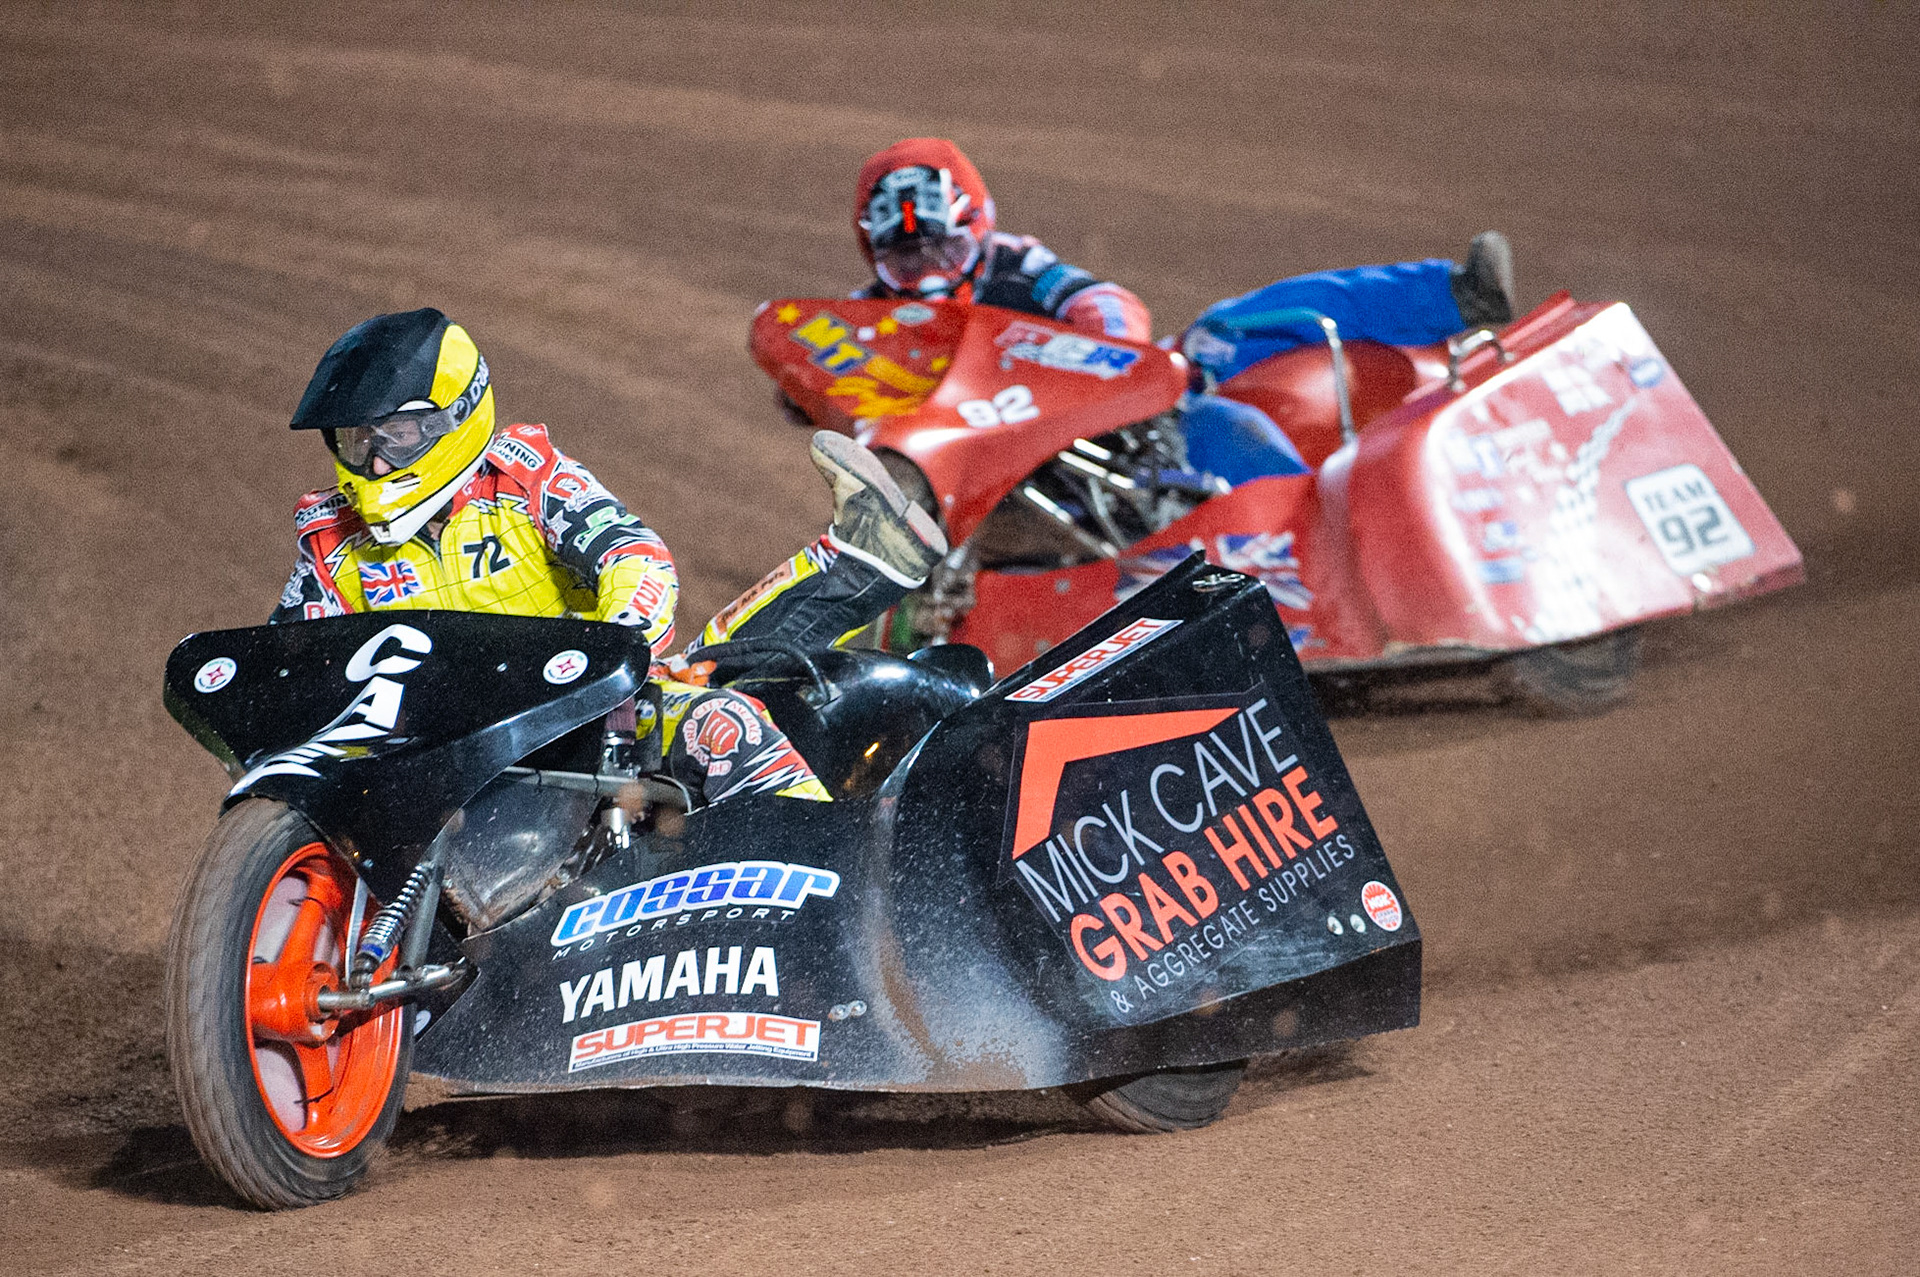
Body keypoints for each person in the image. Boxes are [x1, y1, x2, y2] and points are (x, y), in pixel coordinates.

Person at [275, 307, 946, 805]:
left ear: (454, 417)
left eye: (395, 435)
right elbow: (280, 672)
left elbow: (633, 554)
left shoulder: (524, 475)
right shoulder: (330, 537)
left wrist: (614, 651)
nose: (374, 461)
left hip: (575, 731)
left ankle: (829, 879)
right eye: (356, 441)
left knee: (720, 716)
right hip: (426, 770)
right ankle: (858, 563)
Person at [848, 137, 1517, 373]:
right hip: (976, 489)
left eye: (947, 248)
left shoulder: (1016, 265)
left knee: (1228, 331)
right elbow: (805, 360)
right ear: (873, 257)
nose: (929, 274)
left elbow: (1103, 301)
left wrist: (1106, 361)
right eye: (906, 260)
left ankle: (1455, 293)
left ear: (981, 227)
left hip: (1096, 425)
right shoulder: (858, 320)